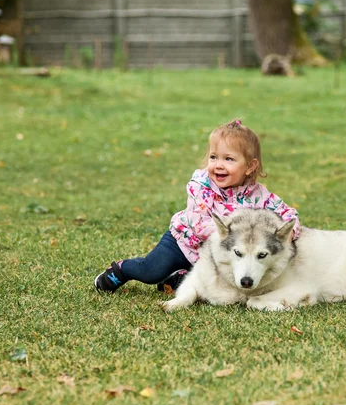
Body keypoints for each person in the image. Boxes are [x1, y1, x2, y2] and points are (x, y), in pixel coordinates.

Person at [94, 119, 301, 293]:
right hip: (182, 242)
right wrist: (234, 236)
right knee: (151, 271)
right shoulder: (201, 186)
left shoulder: (259, 195)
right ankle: (122, 270)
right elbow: (199, 225)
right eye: (214, 157)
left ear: (250, 166)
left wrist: (289, 232)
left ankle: (176, 280)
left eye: (228, 159)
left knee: (208, 288)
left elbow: (287, 214)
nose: (218, 164)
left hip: (214, 254)